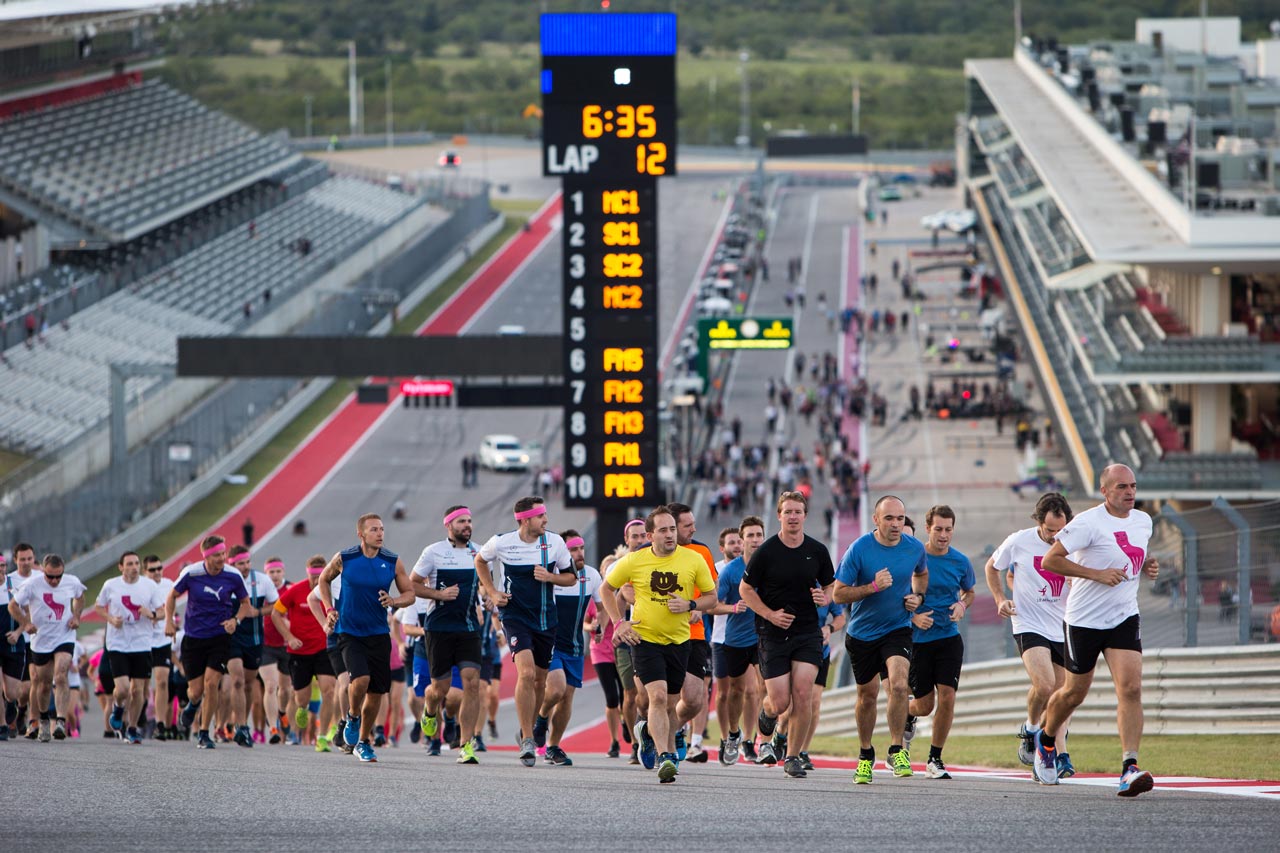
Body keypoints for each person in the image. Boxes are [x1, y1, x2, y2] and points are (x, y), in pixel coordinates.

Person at [1035, 464, 1159, 797]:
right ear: (1104, 491)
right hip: (1083, 621)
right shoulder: (1087, 522)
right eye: (1121, 487)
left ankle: (1129, 767)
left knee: (1131, 688)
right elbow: (1050, 561)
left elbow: (1132, 553)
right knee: (1074, 693)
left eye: (1133, 486)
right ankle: (1046, 741)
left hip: (1124, 616)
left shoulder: (1143, 521)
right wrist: (1096, 574)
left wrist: (1146, 564)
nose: (1130, 492)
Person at [599, 506, 718, 784]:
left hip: (680, 640)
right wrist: (619, 623)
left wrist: (690, 604)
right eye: (663, 530)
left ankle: (656, 740)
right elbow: (606, 589)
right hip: (645, 639)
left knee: (672, 703)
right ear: (650, 535)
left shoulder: (693, 559)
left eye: (672, 529)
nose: (670, 535)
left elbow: (712, 596)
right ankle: (666, 756)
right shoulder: (634, 560)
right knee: (658, 697)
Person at [739, 491, 836, 778]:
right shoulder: (766, 551)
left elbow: (831, 585)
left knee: (803, 694)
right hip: (773, 633)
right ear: (779, 515)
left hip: (807, 632)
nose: (793, 517)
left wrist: (825, 597)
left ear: (805, 516)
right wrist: (769, 614)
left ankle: (792, 756)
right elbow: (745, 589)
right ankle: (768, 713)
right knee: (780, 701)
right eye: (788, 512)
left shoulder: (817, 550)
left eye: (798, 512)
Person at [833, 495, 928, 783]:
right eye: (889, 518)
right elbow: (838, 594)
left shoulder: (914, 548)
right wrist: (872, 587)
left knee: (899, 685)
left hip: (897, 627)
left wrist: (917, 597)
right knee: (867, 696)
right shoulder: (859, 549)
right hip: (862, 633)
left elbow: (922, 575)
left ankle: (897, 749)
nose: (895, 524)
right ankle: (865, 755)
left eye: (900, 518)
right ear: (876, 520)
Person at [475, 496, 575, 767]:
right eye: (541, 516)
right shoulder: (502, 542)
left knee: (540, 681)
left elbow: (571, 577)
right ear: (525, 520)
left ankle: (527, 728)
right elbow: (480, 561)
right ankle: (528, 740)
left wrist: (550, 577)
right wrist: (492, 592)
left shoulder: (555, 543)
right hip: (514, 616)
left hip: (546, 619)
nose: (546, 520)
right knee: (527, 673)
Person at [984, 493, 1075, 775]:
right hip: (1028, 623)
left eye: (1060, 530)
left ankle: (1045, 749)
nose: (1054, 536)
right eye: (1049, 530)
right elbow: (992, 567)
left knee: (1059, 696)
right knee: (1045, 684)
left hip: (1063, 626)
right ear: (1038, 522)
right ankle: (1033, 728)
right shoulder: (1019, 541)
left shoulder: (1074, 542)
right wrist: (1000, 599)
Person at [316, 513, 417, 763]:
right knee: (360, 679)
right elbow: (323, 580)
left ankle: (363, 742)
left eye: (381, 529)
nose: (380, 533)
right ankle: (352, 716)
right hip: (349, 632)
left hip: (379, 634)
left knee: (376, 693)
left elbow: (410, 594)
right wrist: (329, 609)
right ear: (360, 534)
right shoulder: (345, 558)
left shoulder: (392, 561)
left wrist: (394, 600)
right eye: (374, 529)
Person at [902, 506, 975, 780]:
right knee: (924, 706)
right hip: (918, 641)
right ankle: (905, 712)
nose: (943, 535)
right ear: (927, 529)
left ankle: (935, 758)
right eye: (938, 529)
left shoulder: (961, 561)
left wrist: (962, 605)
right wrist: (914, 617)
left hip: (948, 638)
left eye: (948, 530)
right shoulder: (913, 558)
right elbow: (895, 596)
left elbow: (969, 592)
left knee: (948, 696)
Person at [411, 505, 486, 765]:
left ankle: (466, 745)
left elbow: (485, 585)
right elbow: (411, 584)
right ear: (449, 525)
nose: (467, 525)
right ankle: (430, 710)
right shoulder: (433, 552)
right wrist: (439, 594)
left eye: (469, 521)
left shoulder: (480, 552)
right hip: (438, 629)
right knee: (439, 689)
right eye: (461, 521)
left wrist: (489, 598)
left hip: (468, 629)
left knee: (472, 684)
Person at [166, 535, 253, 750]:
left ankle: (204, 732)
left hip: (220, 637)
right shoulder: (192, 573)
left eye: (223, 553)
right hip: (194, 638)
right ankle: (193, 704)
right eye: (217, 555)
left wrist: (235, 620)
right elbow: (171, 596)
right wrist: (169, 622)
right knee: (195, 691)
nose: (222, 558)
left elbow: (246, 604)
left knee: (212, 684)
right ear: (206, 557)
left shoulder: (232, 576)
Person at [535, 530, 601, 766]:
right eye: (573, 549)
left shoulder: (592, 575)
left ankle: (552, 747)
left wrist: (600, 624)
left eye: (581, 548)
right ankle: (541, 718)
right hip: (550, 643)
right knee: (556, 689)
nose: (579, 553)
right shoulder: (551, 575)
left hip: (574, 646)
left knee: (566, 697)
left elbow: (602, 606)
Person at [8, 554, 85, 741]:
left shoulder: (72, 582)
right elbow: (13, 606)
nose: (54, 581)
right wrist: (26, 624)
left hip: (64, 635)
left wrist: (76, 616)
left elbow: (80, 597)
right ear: (43, 571)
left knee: (61, 674)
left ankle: (60, 721)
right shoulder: (32, 584)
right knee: (44, 684)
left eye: (58, 576)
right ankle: (42, 720)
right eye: (50, 576)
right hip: (41, 639)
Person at [93, 551, 165, 745]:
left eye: (136, 563)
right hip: (118, 643)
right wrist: (111, 619)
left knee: (138, 690)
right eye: (130, 564)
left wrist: (151, 614)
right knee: (123, 688)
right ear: (121, 567)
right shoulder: (111, 585)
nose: (134, 567)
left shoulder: (149, 585)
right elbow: (98, 607)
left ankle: (132, 728)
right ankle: (118, 708)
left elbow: (162, 612)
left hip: (142, 643)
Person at [666, 502, 718, 764]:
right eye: (688, 525)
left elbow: (713, 592)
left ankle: (670, 730)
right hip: (660, 634)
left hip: (695, 633)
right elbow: (627, 590)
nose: (694, 529)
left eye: (693, 524)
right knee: (662, 697)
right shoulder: (648, 553)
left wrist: (698, 607)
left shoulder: (701, 551)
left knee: (695, 700)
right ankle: (662, 745)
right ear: (672, 528)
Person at [712, 516, 765, 765]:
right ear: (742, 541)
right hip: (735, 639)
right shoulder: (730, 571)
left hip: (764, 636)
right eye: (750, 536)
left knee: (760, 689)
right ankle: (734, 734)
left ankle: (755, 740)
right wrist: (732, 608)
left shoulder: (771, 564)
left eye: (759, 535)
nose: (755, 540)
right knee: (736, 690)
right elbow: (712, 605)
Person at [273, 556, 338, 752]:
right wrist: (289, 637)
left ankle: (322, 737)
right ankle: (301, 710)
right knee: (302, 698)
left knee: (329, 691)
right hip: (299, 651)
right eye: (313, 576)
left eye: (321, 576)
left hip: (324, 648)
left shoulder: (331, 591)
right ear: (307, 574)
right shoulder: (296, 590)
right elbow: (275, 613)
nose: (317, 580)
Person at [223, 545, 279, 747]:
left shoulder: (262, 580)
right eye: (241, 563)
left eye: (247, 562)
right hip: (231, 639)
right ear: (231, 564)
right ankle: (241, 726)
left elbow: (277, 605)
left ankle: (240, 723)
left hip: (254, 640)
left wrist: (259, 612)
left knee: (247, 684)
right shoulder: (225, 580)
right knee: (237, 681)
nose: (246, 566)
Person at [143, 555, 178, 740]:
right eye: (152, 570)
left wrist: (167, 620)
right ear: (145, 572)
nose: (157, 572)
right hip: (142, 640)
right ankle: (138, 719)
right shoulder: (140, 586)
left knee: (162, 681)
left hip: (162, 639)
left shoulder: (168, 584)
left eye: (159, 568)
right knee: (140, 686)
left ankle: (160, 723)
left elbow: (169, 610)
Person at [6, 542, 38, 737]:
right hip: (15, 639)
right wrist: (19, 629)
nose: (26, 563)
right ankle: (13, 714)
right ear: (15, 560)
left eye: (29, 559)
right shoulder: (8, 581)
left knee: (30, 685)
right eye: (22, 559)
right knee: (16, 689)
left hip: (35, 640)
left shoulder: (41, 579)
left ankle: (25, 714)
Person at [259, 557, 291, 743]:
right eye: (271, 572)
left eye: (278, 571)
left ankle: (282, 712)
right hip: (266, 645)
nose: (275, 575)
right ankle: (273, 728)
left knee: (285, 689)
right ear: (266, 573)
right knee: (271, 685)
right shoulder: (261, 591)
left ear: (283, 572)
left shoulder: (290, 589)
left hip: (287, 645)